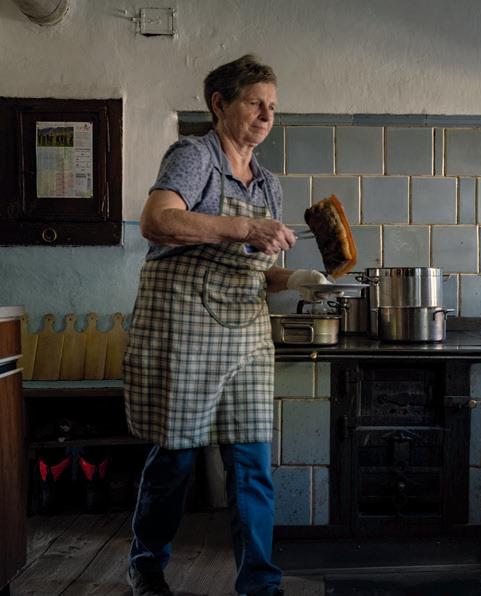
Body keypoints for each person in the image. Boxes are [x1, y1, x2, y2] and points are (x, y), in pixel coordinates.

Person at [123, 54, 331, 596]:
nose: (266, 116)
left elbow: (257, 272)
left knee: (251, 464)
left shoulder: (267, 186)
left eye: (273, 107)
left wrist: (296, 279)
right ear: (220, 104)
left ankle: (260, 583)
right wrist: (243, 228)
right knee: (176, 458)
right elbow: (157, 220)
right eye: (255, 103)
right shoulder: (194, 157)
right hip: (187, 332)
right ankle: (146, 561)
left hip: (245, 338)